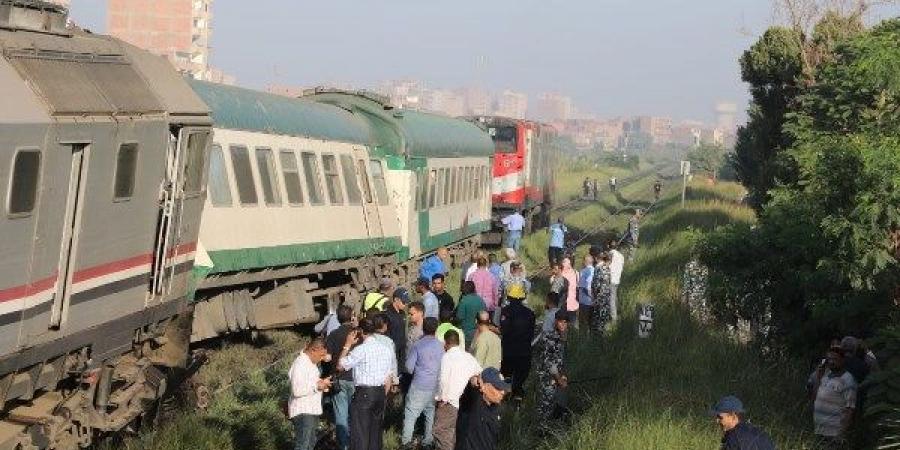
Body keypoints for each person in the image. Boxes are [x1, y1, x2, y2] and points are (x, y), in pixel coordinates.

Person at [338, 317, 397, 450]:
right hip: (380, 392)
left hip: (364, 394)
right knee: (375, 435)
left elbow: (340, 366)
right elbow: (388, 377)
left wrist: (347, 344)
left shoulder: (361, 350)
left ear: (361, 331)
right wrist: (383, 395)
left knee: (361, 435)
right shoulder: (385, 349)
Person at [434, 330, 483, 450]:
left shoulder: (447, 357)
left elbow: (444, 379)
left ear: (445, 342)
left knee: (440, 431)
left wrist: (442, 398)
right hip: (465, 402)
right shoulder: (468, 357)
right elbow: (480, 372)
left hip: (449, 400)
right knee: (453, 432)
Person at [402, 317, 444, 450]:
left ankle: (406, 443)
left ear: (423, 329)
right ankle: (427, 441)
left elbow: (409, 367)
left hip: (419, 384)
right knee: (430, 413)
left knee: (410, 414)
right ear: (436, 329)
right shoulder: (441, 346)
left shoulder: (418, 345)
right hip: (434, 385)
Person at [288, 338, 333, 450]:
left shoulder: (310, 364)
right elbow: (297, 390)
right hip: (303, 411)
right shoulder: (300, 364)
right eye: (321, 355)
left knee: (310, 444)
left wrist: (322, 384)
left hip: (311, 410)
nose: (322, 358)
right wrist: (317, 386)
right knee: (303, 445)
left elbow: (309, 384)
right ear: (313, 350)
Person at [808, 346, 857, 447]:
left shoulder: (848, 380)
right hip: (820, 428)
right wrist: (818, 377)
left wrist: (841, 433)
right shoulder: (826, 375)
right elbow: (816, 396)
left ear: (842, 360)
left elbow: (850, 409)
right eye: (829, 359)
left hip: (834, 431)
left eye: (834, 359)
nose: (831, 362)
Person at [324, 305, 357, 450]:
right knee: (355, 415)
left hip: (339, 379)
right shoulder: (358, 334)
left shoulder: (333, 335)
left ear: (337, 318)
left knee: (341, 416)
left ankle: (344, 446)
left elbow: (328, 357)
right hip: (356, 379)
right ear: (351, 317)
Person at [459, 368, 511, 450]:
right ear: (484, 386)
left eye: (502, 388)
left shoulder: (502, 410)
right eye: (498, 388)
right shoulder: (474, 401)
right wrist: (473, 381)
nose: (502, 392)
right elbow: (467, 394)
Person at [500, 286, 536, 401]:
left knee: (507, 376)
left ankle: (506, 398)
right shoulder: (530, 313)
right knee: (520, 378)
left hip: (509, 351)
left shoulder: (505, 311)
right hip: (524, 351)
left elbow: (503, 331)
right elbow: (531, 333)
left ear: (509, 297)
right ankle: (517, 398)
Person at [536, 309, 568, 424]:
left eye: (565, 322)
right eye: (560, 322)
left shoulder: (561, 339)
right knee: (545, 406)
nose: (563, 325)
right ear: (556, 322)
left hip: (555, 379)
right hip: (547, 379)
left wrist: (562, 376)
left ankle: (547, 429)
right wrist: (559, 379)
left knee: (551, 405)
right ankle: (541, 432)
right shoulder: (551, 338)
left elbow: (560, 360)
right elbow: (551, 364)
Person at [710, 395, 776, 450]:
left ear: (733, 416)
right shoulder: (760, 432)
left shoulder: (733, 438)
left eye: (720, 417)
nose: (717, 421)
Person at [456, 281, 486, 346]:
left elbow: (459, 317)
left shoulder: (464, 301)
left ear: (464, 290)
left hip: (466, 333)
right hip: (479, 332)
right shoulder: (481, 300)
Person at [470, 256, 499, 322]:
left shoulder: (472, 276)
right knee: (488, 323)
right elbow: (495, 291)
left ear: (477, 264)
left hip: (475, 303)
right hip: (488, 304)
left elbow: (469, 289)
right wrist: (495, 304)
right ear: (486, 265)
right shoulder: (492, 276)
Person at [590, 252, 613, 333]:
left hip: (600, 297)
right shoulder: (606, 269)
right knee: (602, 316)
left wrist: (594, 295)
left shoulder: (599, 268)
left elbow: (595, 284)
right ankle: (600, 333)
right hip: (604, 297)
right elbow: (598, 284)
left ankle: (597, 333)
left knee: (598, 316)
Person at [577, 254, 595, 330]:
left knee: (583, 323)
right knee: (591, 322)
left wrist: (590, 296)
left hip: (585, 301)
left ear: (585, 261)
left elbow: (585, 287)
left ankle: (582, 339)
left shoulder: (584, 271)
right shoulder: (595, 270)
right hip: (592, 302)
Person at [608, 241, 625, 322]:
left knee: (611, 299)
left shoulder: (610, 254)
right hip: (617, 279)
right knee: (615, 298)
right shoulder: (621, 256)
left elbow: (607, 266)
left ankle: (614, 319)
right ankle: (618, 314)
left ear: (609, 246)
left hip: (610, 279)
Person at [560, 257, 579, 326]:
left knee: (569, 323)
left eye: (564, 262)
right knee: (567, 323)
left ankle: (573, 335)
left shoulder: (562, 273)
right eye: (563, 262)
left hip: (570, 302)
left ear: (569, 264)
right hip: (566, 302)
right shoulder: (576, 272)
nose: (562, 263)